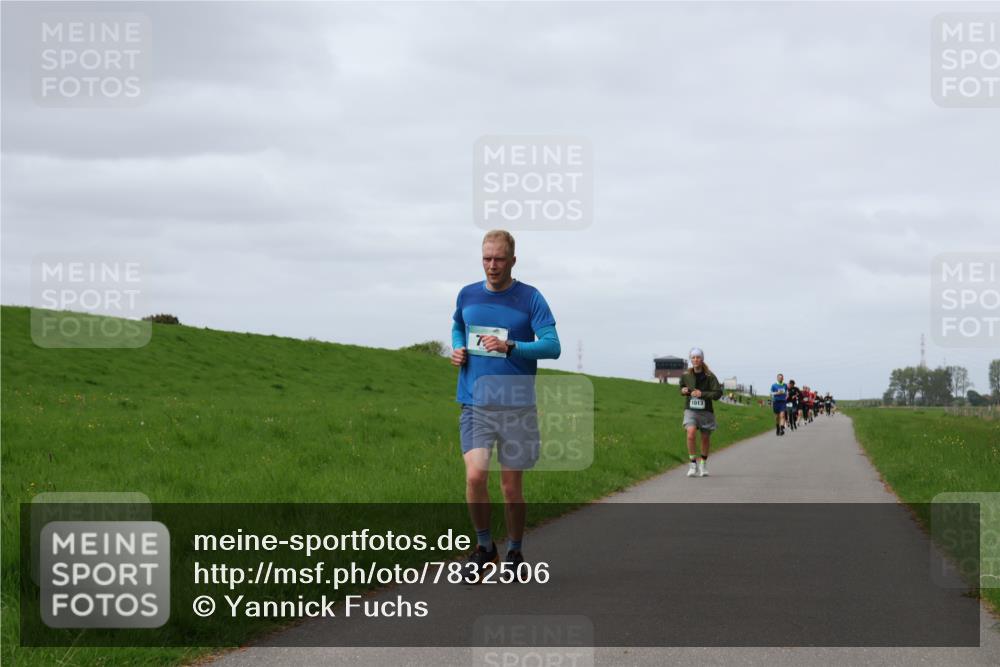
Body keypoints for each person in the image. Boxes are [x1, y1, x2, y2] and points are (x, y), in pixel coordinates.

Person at [450, 230, 561, 583]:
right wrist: (458, 349)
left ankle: (514, 549)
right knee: (475, 476)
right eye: (486, 258)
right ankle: (485, 549)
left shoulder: (530, 298)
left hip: (516, 407)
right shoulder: (467, 294)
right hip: (475, 403)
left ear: (513, 260)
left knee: (511, 489)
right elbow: (458, 325)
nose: (492, 265)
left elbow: (552, 345)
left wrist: (510, 346)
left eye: (499, 258)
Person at [679, 348, 723, 477]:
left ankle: (703, 464)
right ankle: (693, 464)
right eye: (693, 357)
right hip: (690, 409)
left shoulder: (710, 376)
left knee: (705, 438)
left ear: (702, 359)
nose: (695, 359)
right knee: (690, 433)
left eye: (698, 357)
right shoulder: (686, 374)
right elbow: (681, 386)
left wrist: (702, 394)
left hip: (706, 411)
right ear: (690, 359)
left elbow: (718, 393)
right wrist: (683, 390)